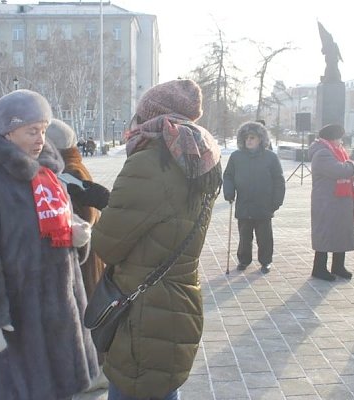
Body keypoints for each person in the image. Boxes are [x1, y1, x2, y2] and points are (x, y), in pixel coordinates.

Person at [0, 90, 99, 400]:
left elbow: (63, 224)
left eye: (44, 130)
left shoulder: (48, 171)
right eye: (32, 130)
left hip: (62, 311)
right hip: (19, 316)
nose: (40, 138)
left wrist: (78, 239)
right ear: (9, 132)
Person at [90, 79, 222, 400]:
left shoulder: (151, 161)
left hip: (143, 310)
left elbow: (107, 245)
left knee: (134, 385)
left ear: (150, 116)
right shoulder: (201, 158)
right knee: (161, 388)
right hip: (179, 297)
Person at [46, 119, 110, 389]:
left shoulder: (68, 170)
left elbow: (88, 214)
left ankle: (94, 372)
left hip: (82, 256)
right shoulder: (69, 166)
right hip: (84, 254)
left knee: (84, 313)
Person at [223, 121, 285, 274]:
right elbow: (228, 176)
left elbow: (279, 179)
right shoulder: (236, 156)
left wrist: (276, 201)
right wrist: (229, 192)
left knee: (264, 236)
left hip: (264, 204)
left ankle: (266, 261)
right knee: (244, 236)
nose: (249, 140)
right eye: (246, 138)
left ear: (260, 139)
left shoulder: (270, 157)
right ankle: (244, 260)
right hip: (244, 203)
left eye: (252, 137)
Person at [308, 124, 354, 281]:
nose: (341, 142)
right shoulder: (322, 153)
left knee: (340, 233)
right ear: (333, 138)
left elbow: (346, 169)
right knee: (325, 234)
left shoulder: (335, 151)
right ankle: (319, 268)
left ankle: (338, 266)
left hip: (339, 200)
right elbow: (340, 170)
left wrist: (352, 171)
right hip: (326, 201)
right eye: (339, 138)